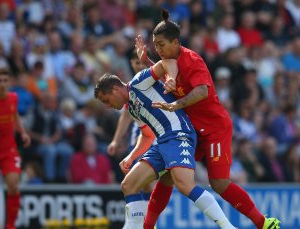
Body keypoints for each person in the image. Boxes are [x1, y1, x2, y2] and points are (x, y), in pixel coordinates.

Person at [135, 9, 280, 229]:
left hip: (214, 129)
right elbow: (162, 74)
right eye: (155, 45)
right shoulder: (168, 62)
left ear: (176, 42)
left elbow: (202, 91)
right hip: (191, 130)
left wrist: (177, 104)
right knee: (167, 175)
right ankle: (147, 226)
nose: (159, 49)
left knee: (219, 183)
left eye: (162, 44)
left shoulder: (192, 60)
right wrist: (147, 60)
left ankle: (263, 223)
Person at [94, 60, 236, 229]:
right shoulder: (132, 108)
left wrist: (171, 79)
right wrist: (131, 157)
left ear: (116, 89)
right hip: (162, 142)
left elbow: (165, 63)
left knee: (184, 185)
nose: (108, 106)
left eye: (106, 100)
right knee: (128, 185)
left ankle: (227, 226)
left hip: (178, 134)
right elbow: (147, 136)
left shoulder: (139, 82)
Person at [107, 49, 154, 229]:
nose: (138, 65)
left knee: (147, 182)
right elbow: (126, 116)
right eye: (135, 62)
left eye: (141, 62)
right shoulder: (129, 89)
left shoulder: (156, 84)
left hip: (159, 135)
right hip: (142, 137)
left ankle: (141, 223)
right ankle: (138, 222)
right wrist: (116, 140)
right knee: (137, 180)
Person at [0, 67, 31, 229]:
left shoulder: (13, 98)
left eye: (5, 80)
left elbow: (14, 115)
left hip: (9, 150)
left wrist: (23, 132)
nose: (2, 84)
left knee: (13, 184)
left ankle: (10, 226)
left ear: (10, 82)